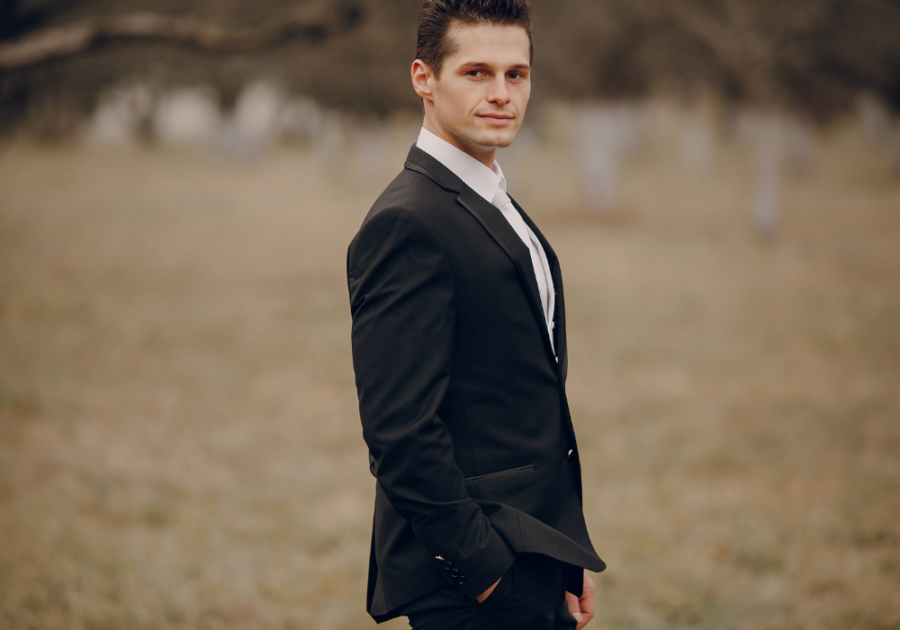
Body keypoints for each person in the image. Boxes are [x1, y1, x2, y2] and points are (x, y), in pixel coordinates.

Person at [346, 1, 605, 627]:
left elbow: (518, 399)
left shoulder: (493, 197)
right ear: (423, 78)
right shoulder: (407, 222)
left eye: (516, 75)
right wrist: (489, 576)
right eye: (476, 73)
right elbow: (401, 435)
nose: (501, 93)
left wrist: (559, 559)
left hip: (534, 548)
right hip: (472, 581)